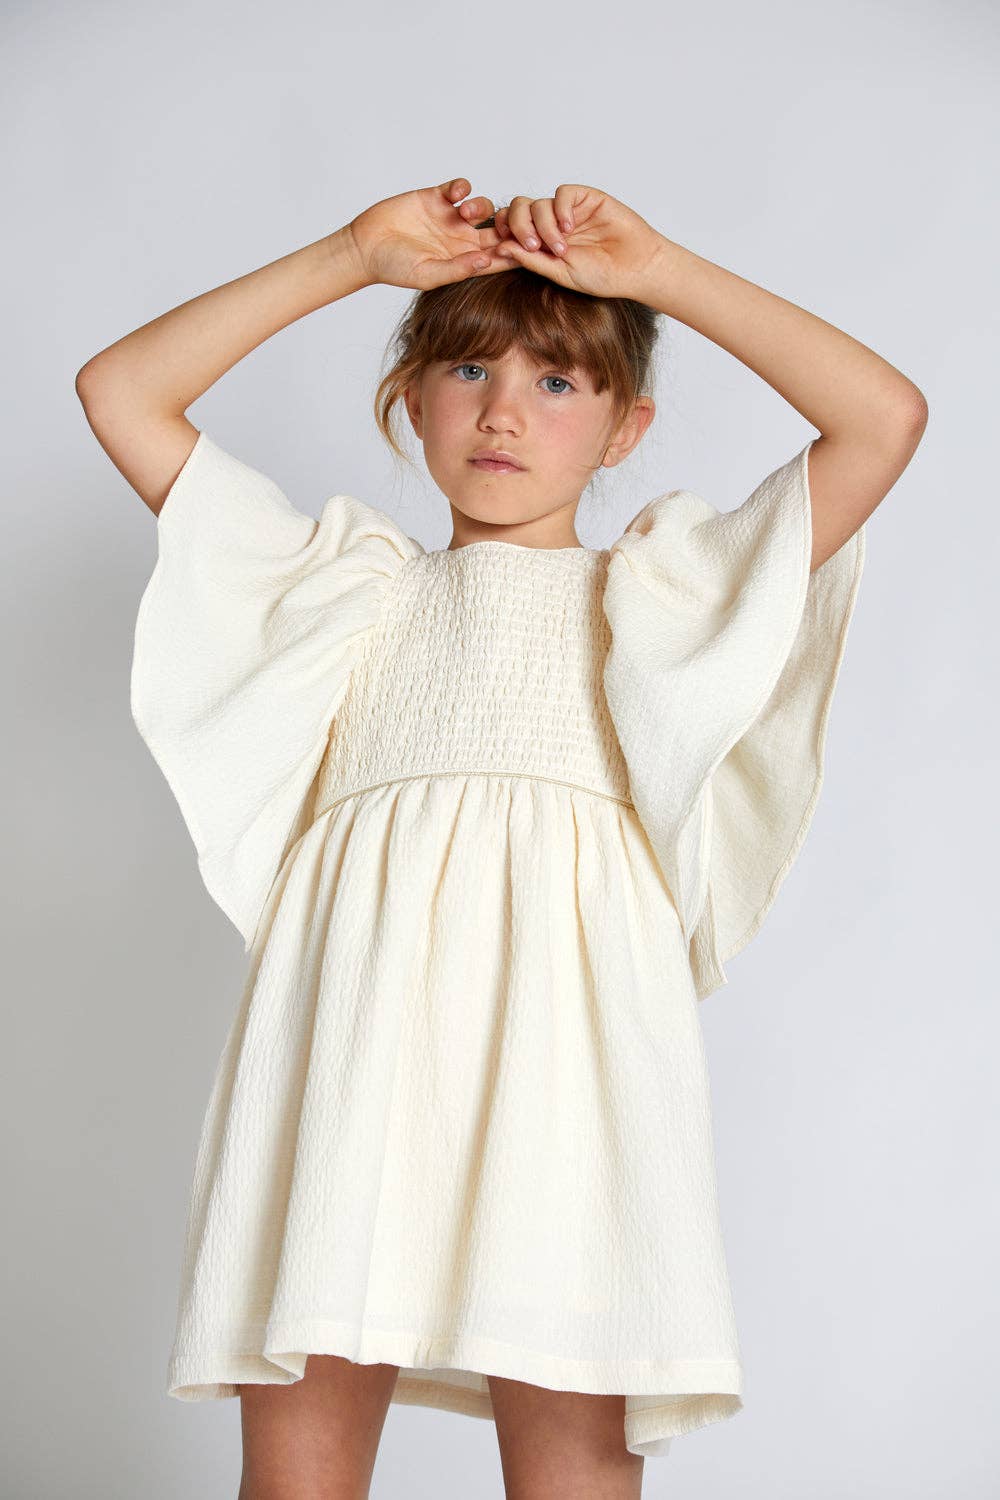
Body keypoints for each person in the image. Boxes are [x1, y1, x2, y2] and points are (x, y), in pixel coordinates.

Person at [75, 178, 927, 1500]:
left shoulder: (658, 600)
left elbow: (884, 417)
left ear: (628, 425)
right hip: (351, 1049)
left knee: (575, 1458)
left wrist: (660, 270)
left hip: (569, 1061)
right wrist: (353, 255)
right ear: (409, 400)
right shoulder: (344, 593)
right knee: (298, 1463)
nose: (503, 412)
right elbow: (122, 391)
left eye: (558, 382)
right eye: (468, 369)